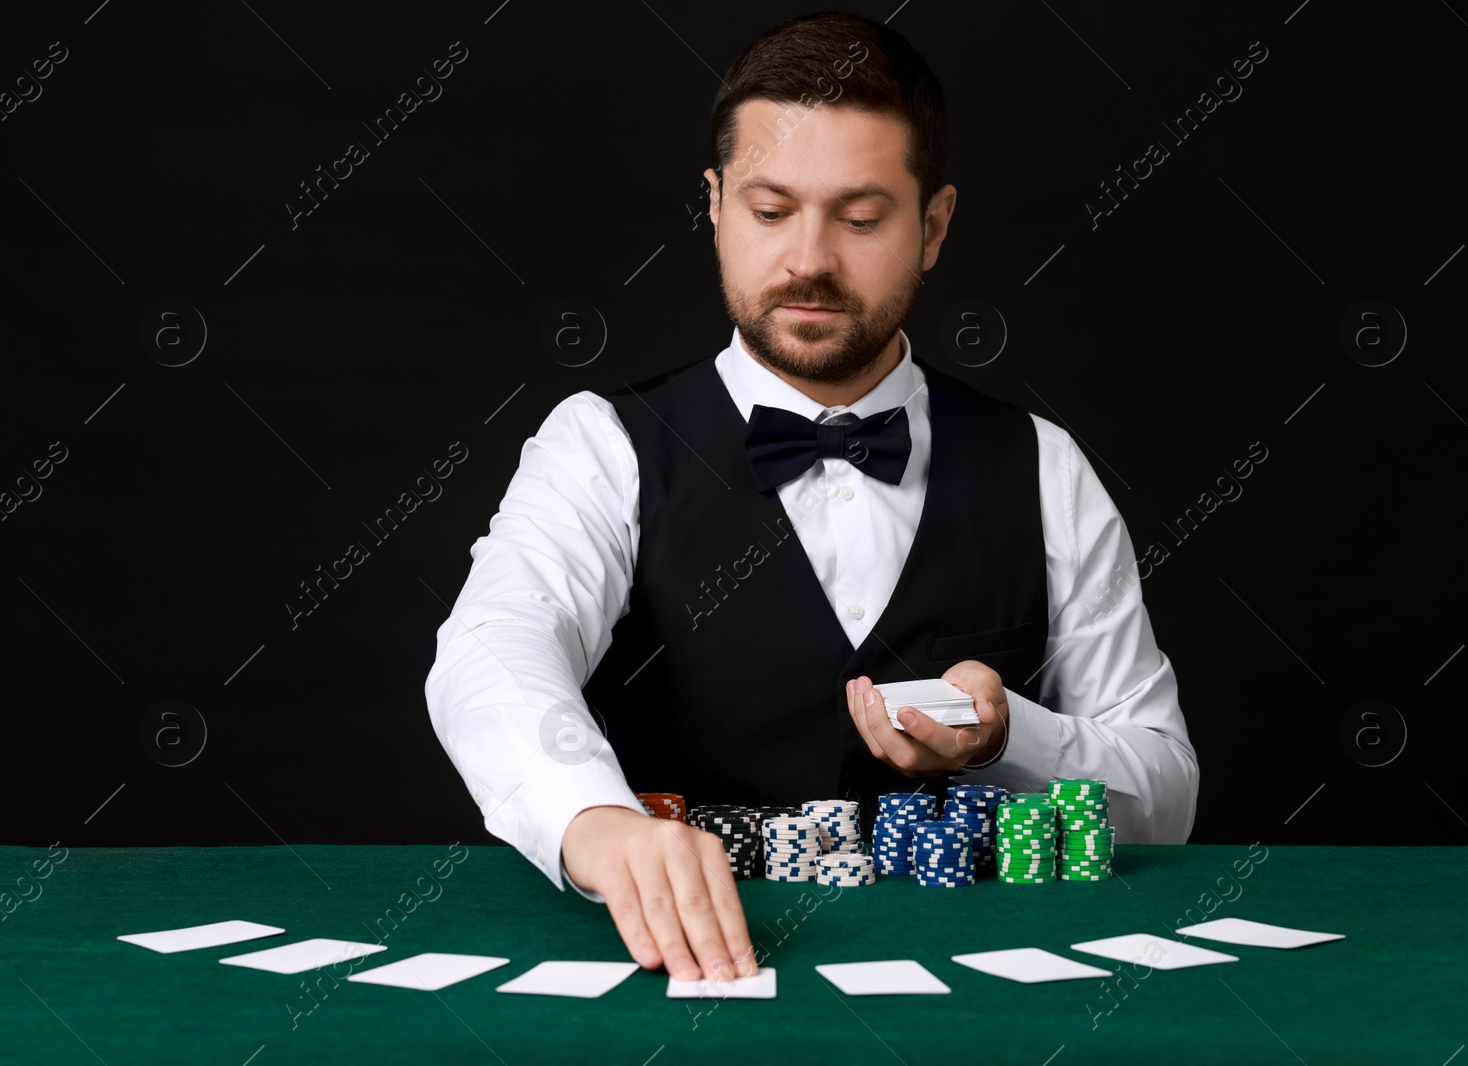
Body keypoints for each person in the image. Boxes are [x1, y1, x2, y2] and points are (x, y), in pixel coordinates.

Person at [425, 10, 1197, 987]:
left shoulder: (1041, 463)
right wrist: (598, 823)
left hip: (987, 1002)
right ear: (712, 206)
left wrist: (1013, 739)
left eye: (861, 217)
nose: (808, 262)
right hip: (681, 991)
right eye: (769, 209)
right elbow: (488, 657)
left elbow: (1166, 795)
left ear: (934, 226)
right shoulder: (601, 444)